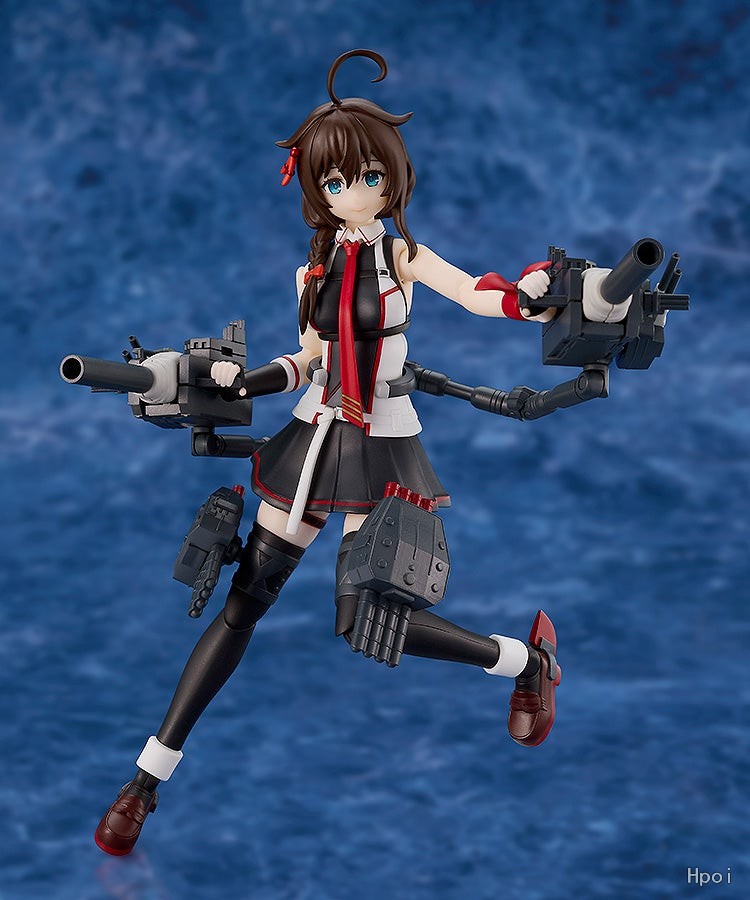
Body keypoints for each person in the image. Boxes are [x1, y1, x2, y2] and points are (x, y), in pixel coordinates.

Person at [95, 48, 562, 857]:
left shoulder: (401, 257)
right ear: (317, 188)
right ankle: (145, 780)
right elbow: (308, 357)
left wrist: (526, 295)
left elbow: (475, 294)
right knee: (244, 600)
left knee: (367, 620)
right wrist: (245, 381)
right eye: (337, 181)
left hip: (380, 441)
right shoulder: (312, 268)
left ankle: (526, 662)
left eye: (367, 177)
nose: (354, 192)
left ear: (391, 179)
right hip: (314, 435)